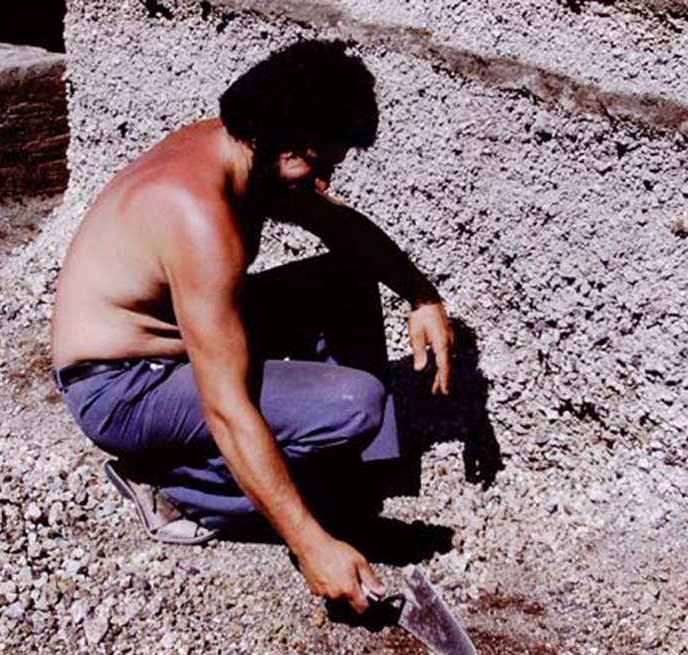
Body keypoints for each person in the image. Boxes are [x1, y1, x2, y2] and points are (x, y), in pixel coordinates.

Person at [49, 40, 453, 614]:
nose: (323, 182)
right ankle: (180, 493)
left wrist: (420, 294)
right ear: (281, 144)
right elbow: (227, 408)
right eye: (318, 163)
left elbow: (338, 228)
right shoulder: (198, 217)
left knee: (347, 276)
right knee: (354, 404)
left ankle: (350, 482)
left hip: (177, 344)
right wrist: (310, 545)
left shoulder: (243, 150)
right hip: (121, 386)